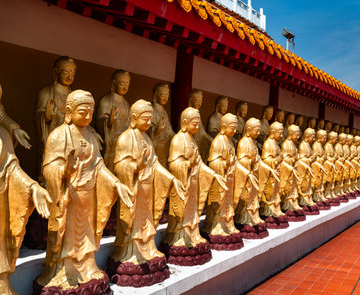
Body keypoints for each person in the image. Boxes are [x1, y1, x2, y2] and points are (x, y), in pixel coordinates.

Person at [35, 90, 134, 294]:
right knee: (67, 237)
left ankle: (88, 266)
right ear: (69, 112)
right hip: (68, 196)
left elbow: (99, 166)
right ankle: (63, 270)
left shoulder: (90, 136)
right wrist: (64, 170)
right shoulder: (58, 135)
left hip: (89, 196)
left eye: (91, 111)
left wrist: (116, 183)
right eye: (83, 111)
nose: (88, 116)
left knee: (87, 234)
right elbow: (48, 168)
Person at [108, 100, 184, 287]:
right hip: (134, 188)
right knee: (133, 223)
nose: (150, 121)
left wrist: (172, 178)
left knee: (146, 221)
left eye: (151, 117)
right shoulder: (126, 138)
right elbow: (120, 165)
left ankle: (147, 248)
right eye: (145, 117)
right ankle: (131, 253)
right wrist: (134, 166)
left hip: (148, 188)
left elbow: (155, 164)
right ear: (134, 118)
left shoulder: (147, 139)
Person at [0, 77, 51, 295]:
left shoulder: (1, 134)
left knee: (0, 238)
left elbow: (12, 168)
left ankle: (0, 283)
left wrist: (34, 187)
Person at [163, 107, 227, 266]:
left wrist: (213, 174)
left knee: (192, 212)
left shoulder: (191, 140)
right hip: (183, 183)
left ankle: (192, 233)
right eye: (194, 123)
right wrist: (186, 165)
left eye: (198, 123)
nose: (197, 127)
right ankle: (179, 237)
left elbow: (199, 162)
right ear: (184, 123)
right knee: (181, 211)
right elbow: (174, 164)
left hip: (193, 183)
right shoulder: (178, 140)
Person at [203, 113, 243, 251]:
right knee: (219, 204)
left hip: (229, 179)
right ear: (224, 126)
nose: (234, 131)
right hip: (220, 179)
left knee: (228, 203)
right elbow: (213, 162)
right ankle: (217, 226)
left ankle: (228, 224)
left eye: (235, 128)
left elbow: (235, 160)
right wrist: (225, 164)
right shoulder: (218, 141)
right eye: (232, 127)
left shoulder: (229, 141)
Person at [234, 118, 268, 239]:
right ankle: (244, 217)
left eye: (259, 130)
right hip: (246, 175)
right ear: (248, 130)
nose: (258, 133)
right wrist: (251, 163)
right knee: (246, 197)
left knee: (254, 197)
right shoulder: (243, 143)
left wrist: (265, 167)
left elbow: (258, 159)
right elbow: (242, 160)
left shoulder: (252, 142)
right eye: (256, 130)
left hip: (254, 174)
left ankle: (254, 215)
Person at [96, 70, 131, 171]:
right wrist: (109, 122)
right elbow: (98, 123)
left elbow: (129, 124)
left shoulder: (126, 104)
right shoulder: (105, 101)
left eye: (127, 84)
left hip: (123, 145)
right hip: (111, 144)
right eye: (122, 83)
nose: (125, 87)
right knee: (110, 169)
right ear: (114, 83)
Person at [258, 122, 289, 229]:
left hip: (276, 172)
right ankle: (268, 211)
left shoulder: (275, 143)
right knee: (270, 192)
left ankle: (276, 208)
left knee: (276, 191)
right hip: (270, 172)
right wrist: (276, 160)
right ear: (273, 132)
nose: (281, 135)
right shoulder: (268, 143)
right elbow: (266, 159)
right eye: (279, 133)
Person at [279, 124, 305, 221]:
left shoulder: (293, 144)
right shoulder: (286, 144)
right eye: (296, 134)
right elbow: (285, 159)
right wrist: (294, 158)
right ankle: (287, 205)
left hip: (293, 169)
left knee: (294, 187)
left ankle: (294, 203)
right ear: (290, 134)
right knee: (288, 188)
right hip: (289, 170)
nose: (298, 137)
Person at [148, 82, 175, 168]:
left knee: (163, 167)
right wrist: (157, 130)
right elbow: (146, 130)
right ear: (156, 95)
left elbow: (169, 130)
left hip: (164, 146)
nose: (166, 98)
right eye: (163, 95)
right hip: (156, 146)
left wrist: (178, 137)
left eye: (167, 95)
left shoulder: (164, 112)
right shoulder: (151, 110)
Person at [188, 89, 213, 161]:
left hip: (200, 144)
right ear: (191, 100)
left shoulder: (198, 114)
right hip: (191, 145)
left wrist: (212, 140)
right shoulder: (187, 114)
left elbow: (202, 132)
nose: (199, 104)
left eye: (200, 101)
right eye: (197, 101)